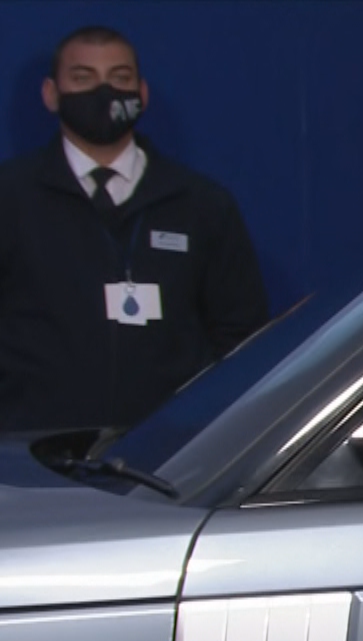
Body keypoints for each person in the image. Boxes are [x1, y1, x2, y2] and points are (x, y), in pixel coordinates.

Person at [0, 25, 269, 435]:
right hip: (27, 456)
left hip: (170, 459)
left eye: (119, 78)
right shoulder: (10, 197)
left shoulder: (200, 204)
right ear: (51, 94)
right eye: (83, 78)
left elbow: (243, 336)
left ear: (141, 94)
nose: (103, 92)